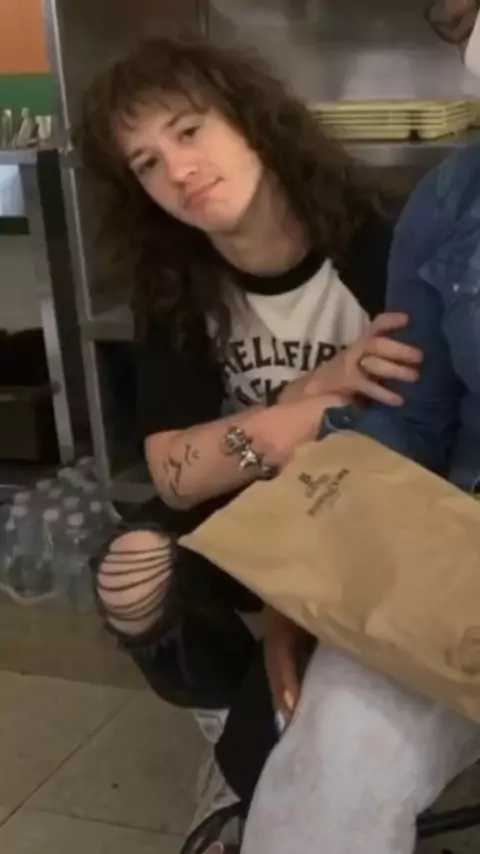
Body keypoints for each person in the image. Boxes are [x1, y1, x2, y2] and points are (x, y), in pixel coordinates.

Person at [75, 31, 421, 848]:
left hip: (366, 513)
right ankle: (230, 719)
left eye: (189, 130)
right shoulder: (175, 282)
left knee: (288, 759)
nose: (179, 170)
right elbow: (172, 472)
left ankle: (254, 755)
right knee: (132, 572)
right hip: (245, 515)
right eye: (147, 163)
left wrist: (250, 435)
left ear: (251, 120)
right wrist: (312, 397)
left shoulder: (376, 239)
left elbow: (417, 427)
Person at [240, 6, 480, 854]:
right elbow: (413, 417)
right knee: (324, 782)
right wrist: (312, 561)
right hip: (459, 556)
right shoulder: (449, 203)